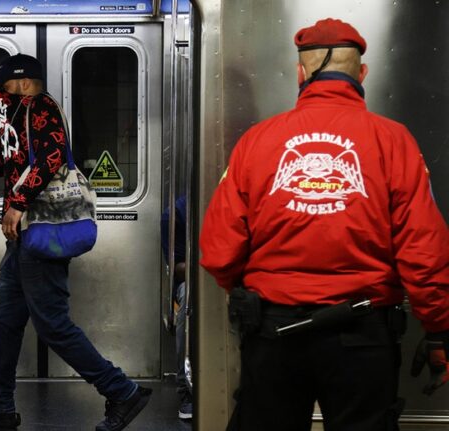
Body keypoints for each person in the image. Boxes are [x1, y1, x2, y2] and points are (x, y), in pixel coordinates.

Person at [199, 18, 449, 431]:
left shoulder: (257, 142)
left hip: (273, 333)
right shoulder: (394, 141)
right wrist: (438, 327)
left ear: (300, 72)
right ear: (362, 73)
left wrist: (259, 296)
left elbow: (218, 248)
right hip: (363, 337)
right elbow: (424, 248)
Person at [0, 53, 151, 431]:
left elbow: (53, 157)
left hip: (41, 231)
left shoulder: (41, 107)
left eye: (4, 87)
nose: (0, 94)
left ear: (24, 82)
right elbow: (1, 165)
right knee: (3, 321)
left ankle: (122, 391)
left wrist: (16, 204)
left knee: (52, 324)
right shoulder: (14, 116)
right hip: (22, 238)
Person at [160, 196, 193, 420]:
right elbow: (178, 267)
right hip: (193, 276)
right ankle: (187, 390)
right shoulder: (176, 213)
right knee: (189, 297)